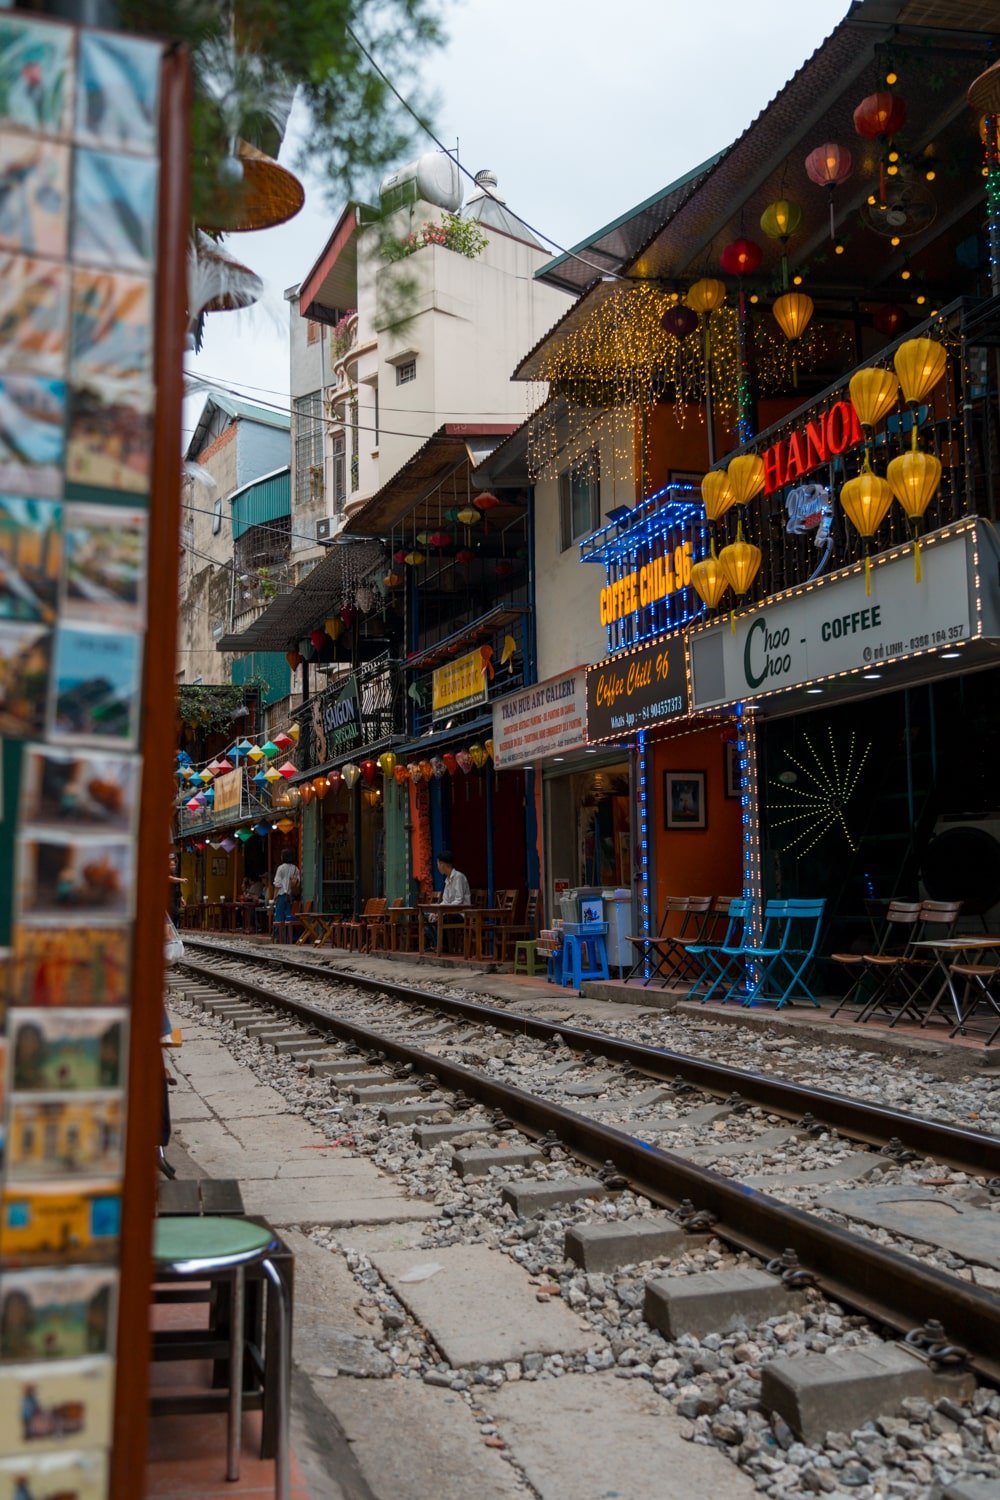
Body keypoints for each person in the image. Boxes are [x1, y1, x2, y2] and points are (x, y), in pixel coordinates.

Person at [425, 849, 471, 949]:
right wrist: (435, 912)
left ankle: (441, 945)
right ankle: (439, 944)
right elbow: (445, 901)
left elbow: (459, 900)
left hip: (461, 914)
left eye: (438, 864)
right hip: (450, 912)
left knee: (440, 917)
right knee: (426, 916)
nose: (437, 867)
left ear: (442, 864)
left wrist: (444, 911)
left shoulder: (459, 877)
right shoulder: (447, 880)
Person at [271, 847, 301, 941]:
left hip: (281, 895)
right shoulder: (296, 869)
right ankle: (289, 938)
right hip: (290, 896)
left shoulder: (281, 868)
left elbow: (277, 884)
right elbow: (298, 882)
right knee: (288, 917)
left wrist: (274, 897)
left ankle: (278, 937)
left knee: (278, 917)